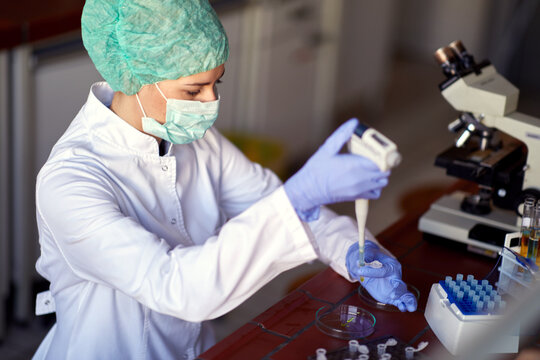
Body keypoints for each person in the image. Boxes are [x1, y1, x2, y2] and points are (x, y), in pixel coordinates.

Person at [32, 0, 416, 359]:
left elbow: (271, 200)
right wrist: (300, 196)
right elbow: (175, 286)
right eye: (193, 90)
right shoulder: (70, 182)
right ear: (135, 78)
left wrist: (350, 246)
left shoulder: (194, 141)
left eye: (217, 83)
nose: (211, 103)